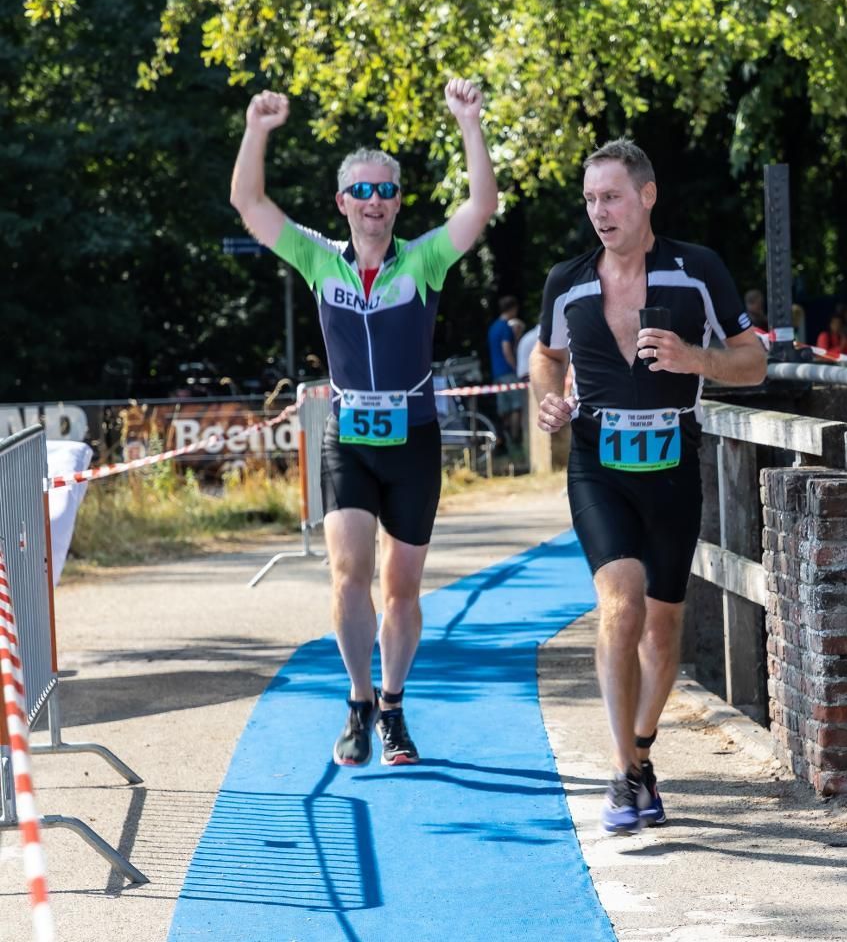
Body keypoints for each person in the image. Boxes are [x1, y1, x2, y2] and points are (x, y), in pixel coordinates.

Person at [230, 78, 498, 767]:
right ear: (344, 202)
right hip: (346, 437)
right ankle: (355, 700)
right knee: (348, 572)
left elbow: (481, 206)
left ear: (398, 202)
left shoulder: (425, 259)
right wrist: (258, 128)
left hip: (413, 438)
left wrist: (469, 122)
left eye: (387, 191)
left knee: (401, 586)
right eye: (364, 191)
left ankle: (393, 706)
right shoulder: (321, 259)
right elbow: (249, 203)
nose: (376, 202)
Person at [530, 139, 766, 835]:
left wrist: (695, 357)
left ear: (647, 195)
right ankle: (620, 770)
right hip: (597, 460)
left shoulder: (698, 271)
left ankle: (640, 754)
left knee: (663, 627)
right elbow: (547, 358)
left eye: (612, 197)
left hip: (672, 463)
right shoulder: (567, 281)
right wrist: (548, 401)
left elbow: (754, 362)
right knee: (620, 603)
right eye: (591, 200)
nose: (600, 212)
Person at [487, 295, 523, 450]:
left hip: (497, 374)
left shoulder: (493, 327)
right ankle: (515, 441)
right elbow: (507, 349)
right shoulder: (506, 327)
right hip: (508, 372)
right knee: (516, 408)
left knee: (504, 410)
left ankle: (507, 442)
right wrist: (516, 368)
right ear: (513, 308)